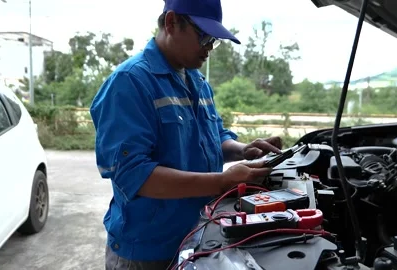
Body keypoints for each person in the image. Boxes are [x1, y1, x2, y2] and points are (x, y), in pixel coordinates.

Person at [89, 0, 283, 269]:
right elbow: (134, 176)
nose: (209, 48)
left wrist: (241, 149)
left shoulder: (198, 82)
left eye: (214, 40)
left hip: (197, 238)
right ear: (171, 23)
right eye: (203, 36)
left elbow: (215, 136)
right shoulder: (130, 83)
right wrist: (222, 181)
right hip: (147, 251)